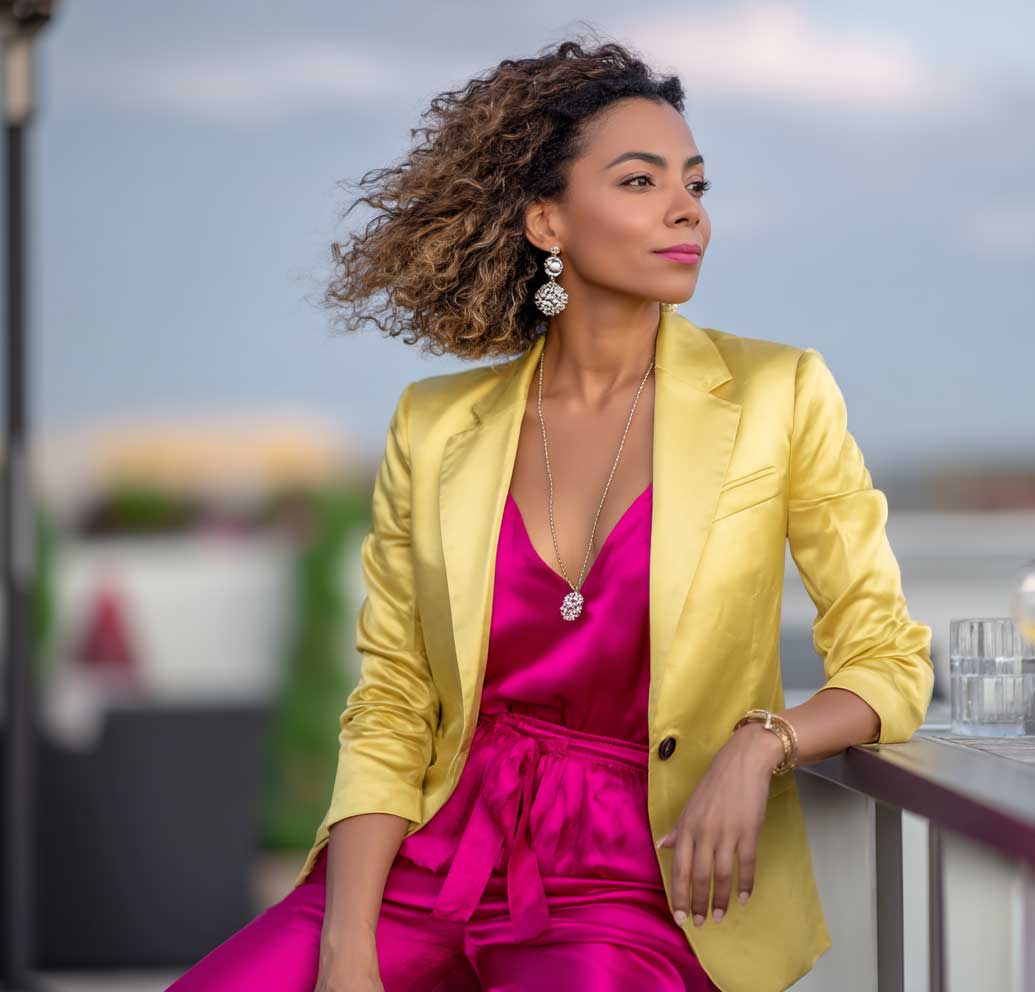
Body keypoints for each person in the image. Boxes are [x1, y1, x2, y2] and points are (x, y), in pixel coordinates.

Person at [167, 33, 933, 992]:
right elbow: (396, 701)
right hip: (435, 850)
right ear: (546, 222)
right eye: (641, 182)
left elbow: (888, 655)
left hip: (645, 873)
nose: (687, 209)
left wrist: (762, 744)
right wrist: (346, 943)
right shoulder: (436, 425)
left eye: (695, 183)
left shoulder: (780, 395)